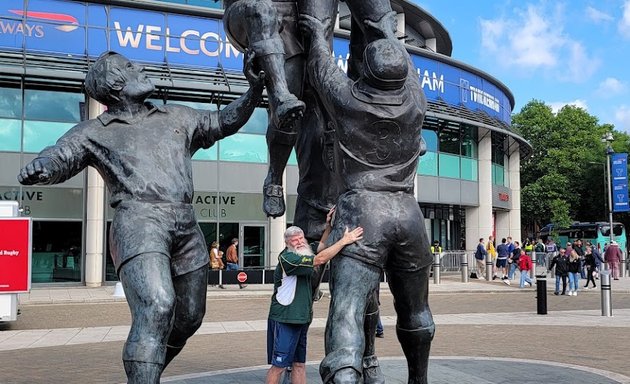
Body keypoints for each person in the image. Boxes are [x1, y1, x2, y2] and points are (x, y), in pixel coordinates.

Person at [16, 51, 264, 383]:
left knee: (190, 316)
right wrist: (41, 167)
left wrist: (253, 92)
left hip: (186, 222)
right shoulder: (93, 131)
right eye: (131, 67)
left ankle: (147, 365)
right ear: (115, 83)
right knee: (158, 305)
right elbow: (61, 156)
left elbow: (221, 122)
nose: (142, 69)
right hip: (139, 221)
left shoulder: (176, 115)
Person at [299, 13, 435, 383]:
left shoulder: (347, 100)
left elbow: (320, 65)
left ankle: (344, 375)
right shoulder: (416, 104)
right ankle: (417, 379)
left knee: (345, 312)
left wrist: (314, 32)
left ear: (367, 75)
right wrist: (387, 31)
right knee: (416, 310)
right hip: (408, 213)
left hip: (362, 211)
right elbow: (412, 72)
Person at [266, 210, 364, 384]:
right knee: (278, 366)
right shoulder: (288, 258)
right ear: (287, 243)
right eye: (294, 241)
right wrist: (345, 240)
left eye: (300, 239)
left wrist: (328, 226)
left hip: (301, 319)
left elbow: (321, 247)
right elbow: (320, 259)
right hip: (286, 319)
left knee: (299, 365)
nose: (298, 243)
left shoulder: (304, 251)